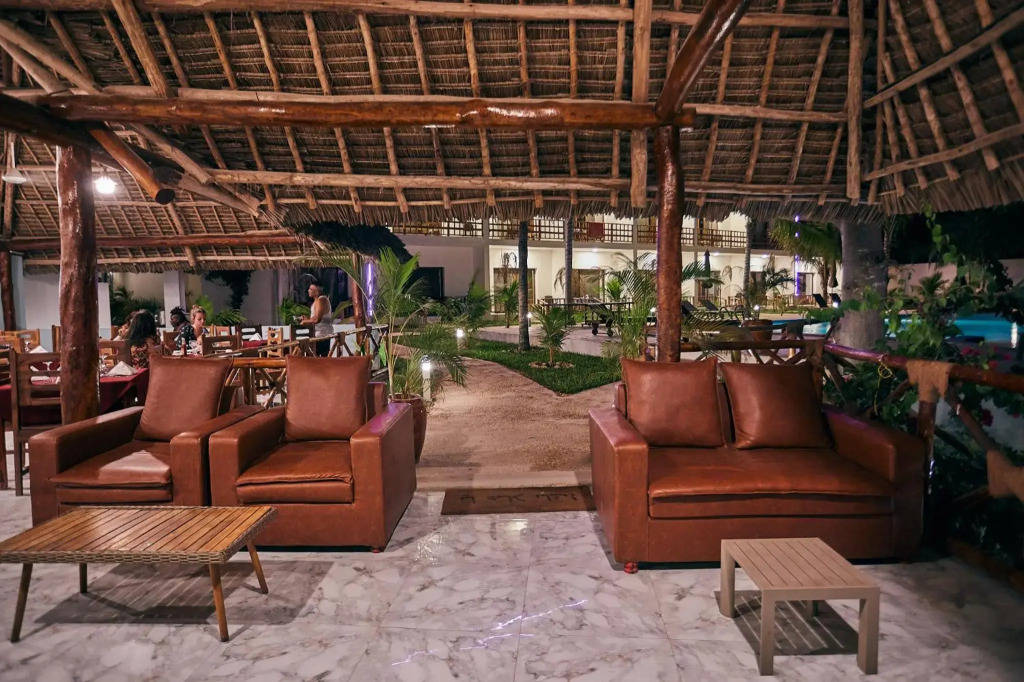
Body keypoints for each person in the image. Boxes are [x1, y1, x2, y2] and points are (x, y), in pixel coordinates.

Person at [300, 280, 334, 356]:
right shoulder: (317, 301)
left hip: (322, 335)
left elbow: (317, 319)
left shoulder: (322, 300)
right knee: (314, 357)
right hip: (318, 334)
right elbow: (315, 317)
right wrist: (307, 319)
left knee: (316, 358)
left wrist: (304, 322)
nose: (308, 291)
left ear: (317, 291)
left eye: (311, 289)